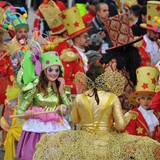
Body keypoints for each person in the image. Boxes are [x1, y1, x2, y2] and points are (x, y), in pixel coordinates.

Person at [33, 63, 160, 160]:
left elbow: (75, 120)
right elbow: (121, 125)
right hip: (107, 143)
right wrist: (109, 126)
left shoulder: (80, 98)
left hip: (84, 143)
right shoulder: (112, 97)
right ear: (104, 79)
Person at [16, 49, 71, 160]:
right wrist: (27, 112)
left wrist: (61, 91)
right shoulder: (34, 88)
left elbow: (68, 109)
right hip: (37, 131)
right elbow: (19, 112)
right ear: (43, 70)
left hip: (57, 129)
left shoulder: (61, 88)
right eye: (50, 69)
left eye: (57, 70)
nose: (54, 73)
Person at [100, 13, 142, 113]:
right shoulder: (112, 65)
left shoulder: (126, 63)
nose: (134, 51)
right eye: (131, 47)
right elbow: (112, 93)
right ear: (125, 49)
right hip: (115, 115)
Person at [58, 6, 92, 94]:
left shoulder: (80, 53)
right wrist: (80, 89)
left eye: (87, 36)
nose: (88, 39)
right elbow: (64, 80)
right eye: (85, 37)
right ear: (77, 39)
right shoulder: (70, 55)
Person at [124, 66, 160, 142]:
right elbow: (128, 137)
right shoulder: (132, 115)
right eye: (143, 98)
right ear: (138, 100)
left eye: (149, 98)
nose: (146, 101)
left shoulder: (157, 115)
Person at [0, 7, 15, 147]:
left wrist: (13, 84)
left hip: (3, 86)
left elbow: (10, 68)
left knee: (3, 114)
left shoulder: (6, 49)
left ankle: (3, 140)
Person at [3, 6, 29, 75]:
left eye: (25, 32)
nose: (23, 34)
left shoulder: (31, 44)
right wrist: (17, 61)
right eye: (20, 32)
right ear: (15, 33)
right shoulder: (9, 46)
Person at [139, 1, 160, 66]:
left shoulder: (159, 44)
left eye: (159, 33)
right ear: (148, 30)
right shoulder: (139, 44)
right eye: (155, 33)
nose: (157, 36)